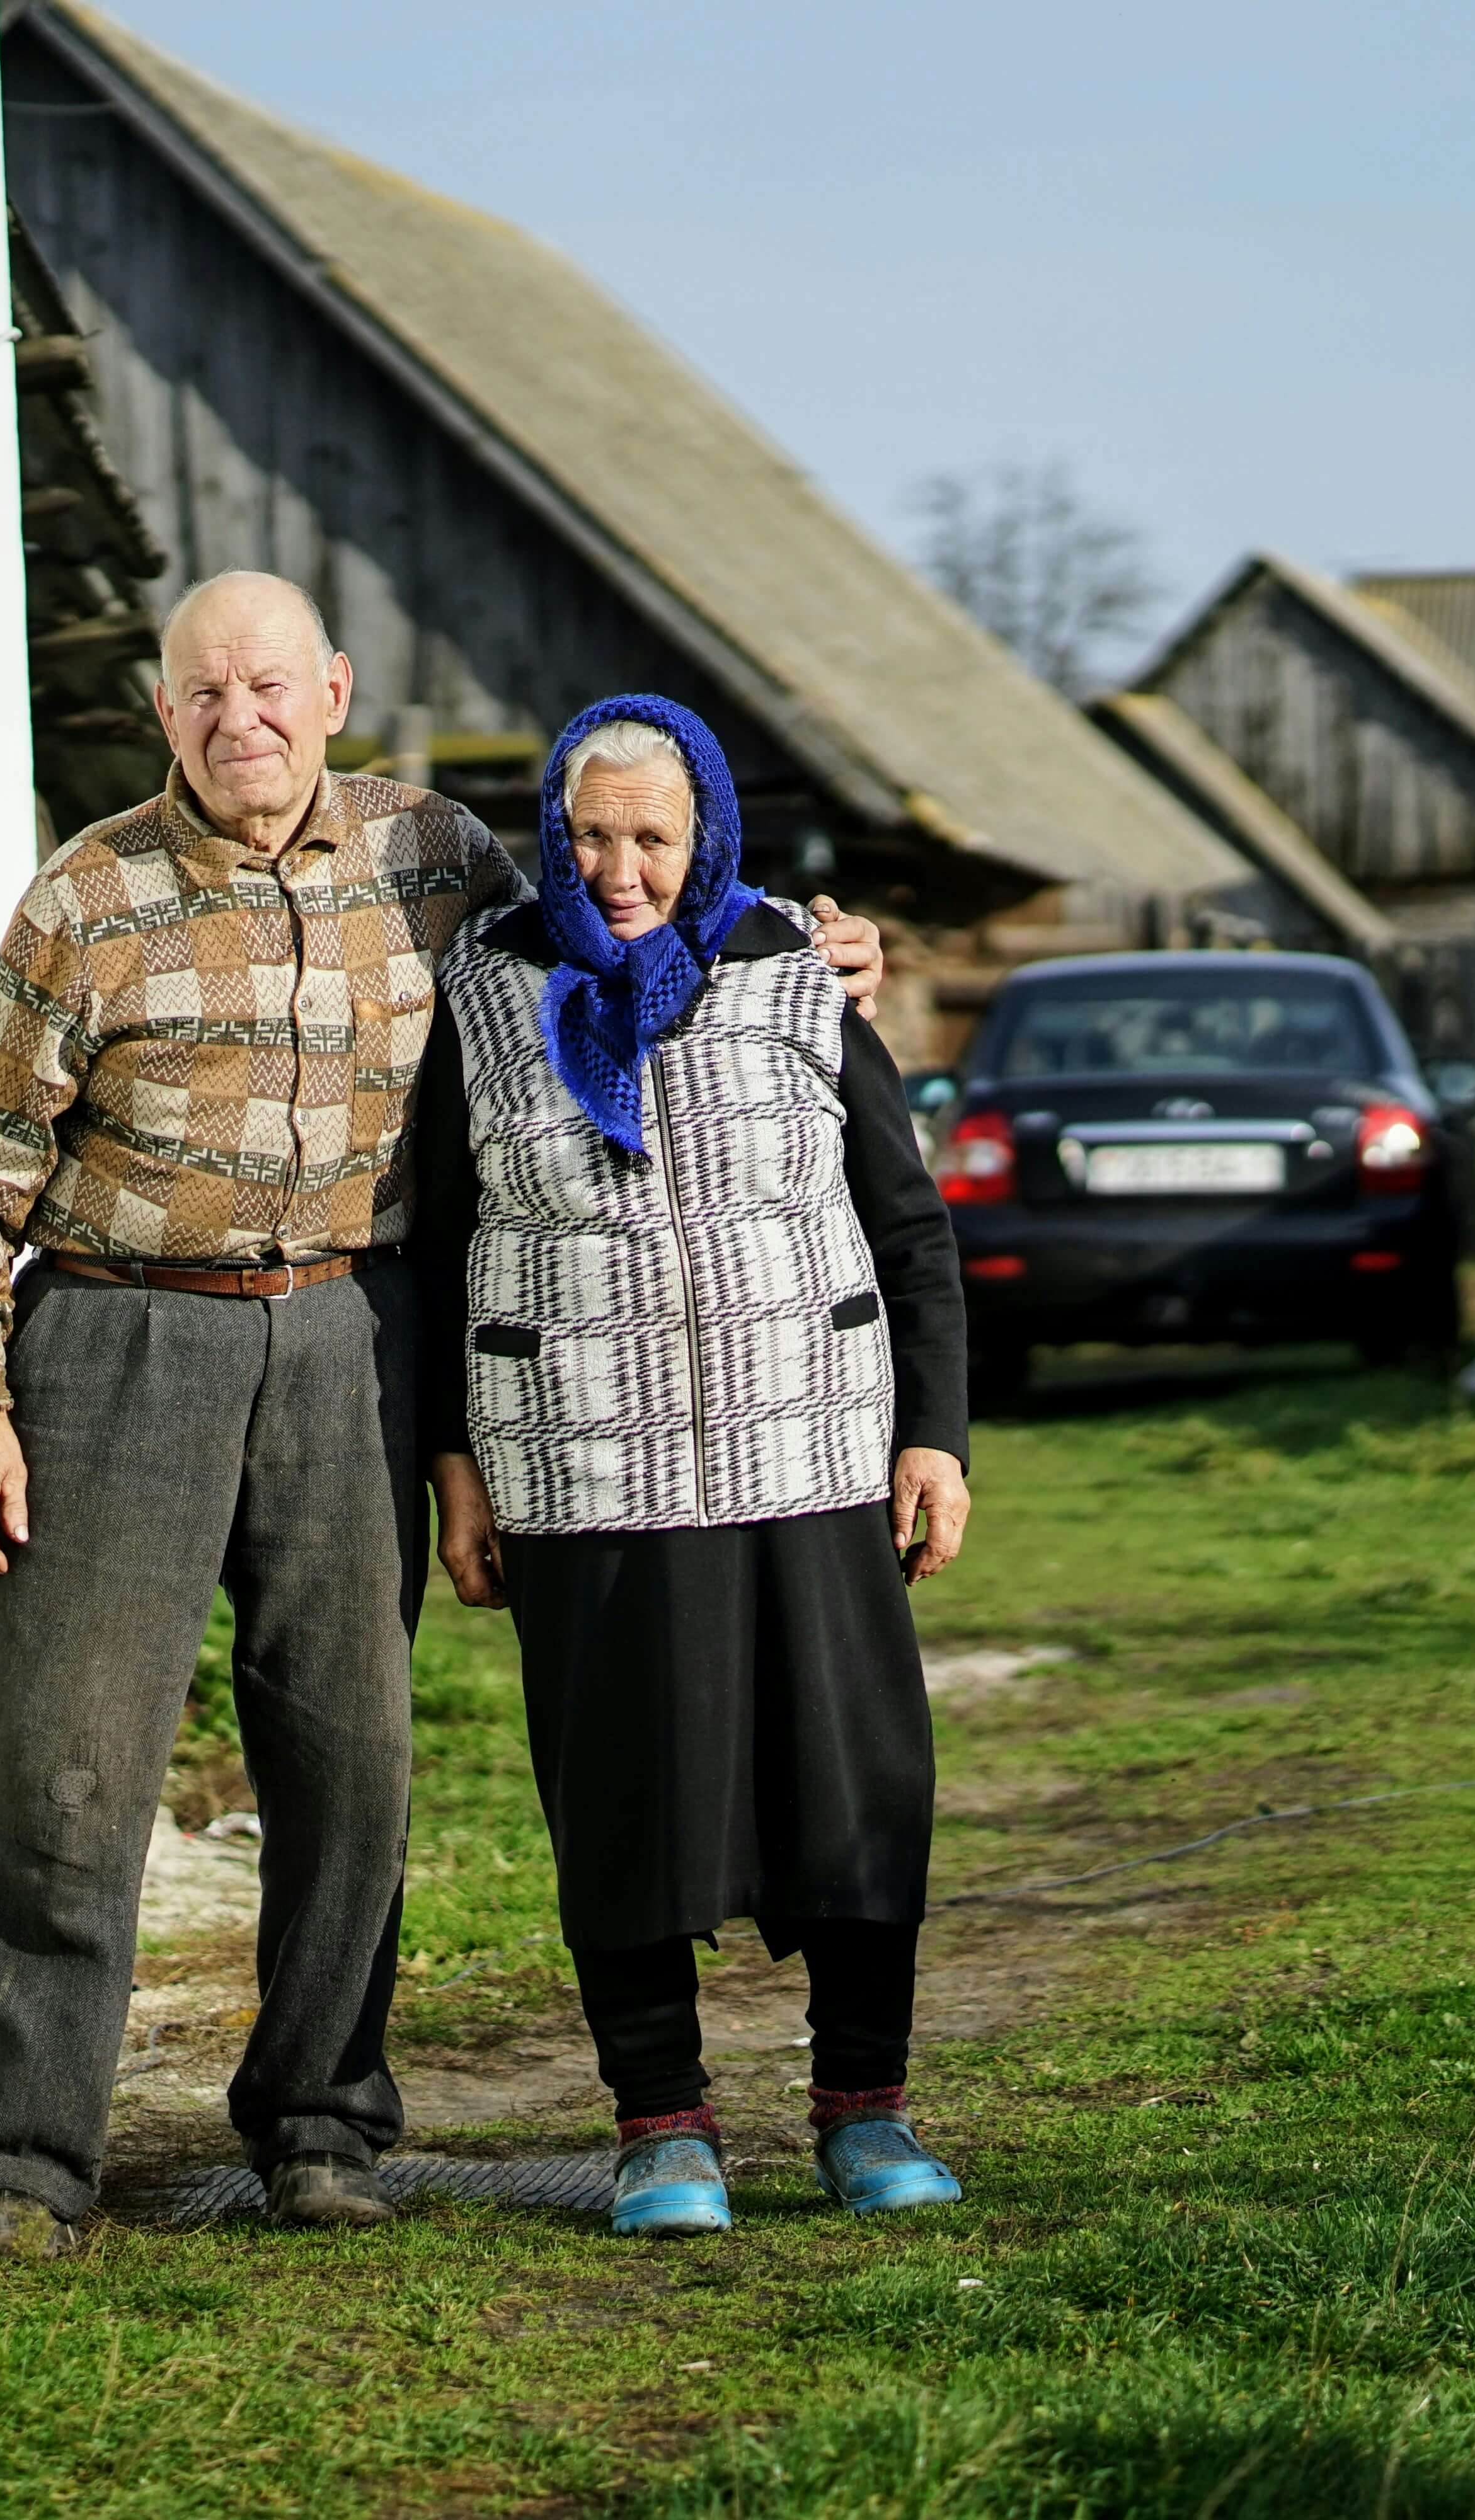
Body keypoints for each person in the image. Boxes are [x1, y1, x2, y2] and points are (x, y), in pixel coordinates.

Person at [0, 578, 880, 2253]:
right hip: (119, 1346)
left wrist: (815, 942)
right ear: (165, 712)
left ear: (335, 691)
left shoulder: (437, 859)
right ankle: (21, 2163)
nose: (243, 721)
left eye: (272, 687)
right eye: (206, 694)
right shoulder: (84, 895)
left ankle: (323, 2125)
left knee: (347, 1764)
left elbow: (621, 919)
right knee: (69, 1775)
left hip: (355, 1336)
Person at [413, 694, 972, 2240]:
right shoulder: (485, 983)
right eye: (591, 835)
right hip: (581, 1468)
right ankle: (663, 2123)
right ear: (553, 832)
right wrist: (453, 1466)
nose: (619, 868)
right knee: (622, 1800)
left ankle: (866, 2105)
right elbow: (446, 1242)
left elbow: (907, 1220)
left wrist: (934, 1430)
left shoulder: (797, 969)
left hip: (806, 1447)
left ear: (705, 830)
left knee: (854, 1786)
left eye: (651, 836)